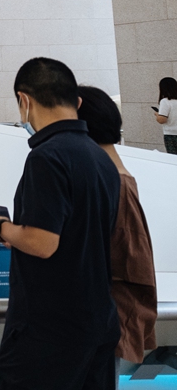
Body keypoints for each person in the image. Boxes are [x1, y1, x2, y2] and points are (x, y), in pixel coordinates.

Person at [0, 58, 120, 390]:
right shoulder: (100, 157)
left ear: (24, 101)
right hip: (97, 324)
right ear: (76, 102)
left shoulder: (47, 157)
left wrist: (1, 227)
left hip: (49, 335)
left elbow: (43, 242)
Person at [78, 85, 157, 371]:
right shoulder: (120, 178)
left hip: (107, 320)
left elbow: (127, 262)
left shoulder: (113, 183)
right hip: (113, 319)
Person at [156, 77, 177, 155]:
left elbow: (162, 120)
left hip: (171, 135)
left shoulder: (165, 101)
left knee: (173, 159)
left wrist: (157, 115)